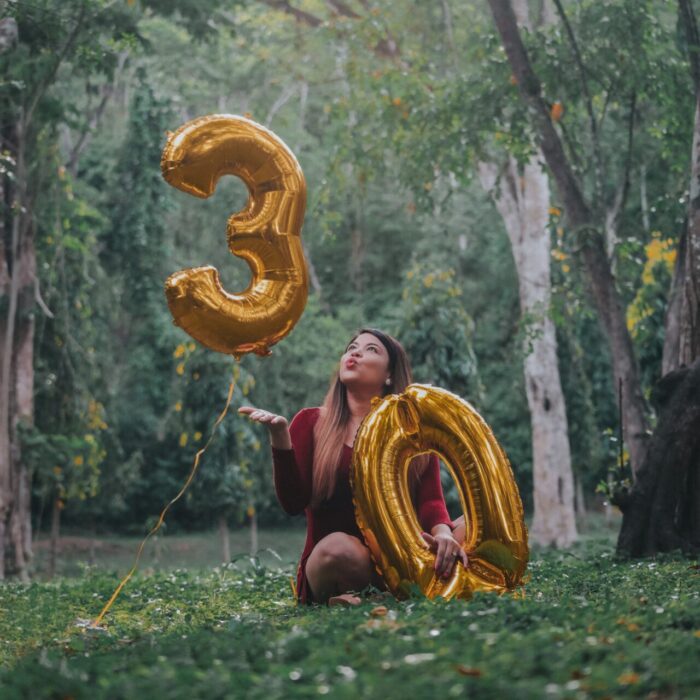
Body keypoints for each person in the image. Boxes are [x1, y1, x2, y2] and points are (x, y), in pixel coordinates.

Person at [238, 327, 469, 607]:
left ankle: (379, 596)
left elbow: (431, 501)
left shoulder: (411, 431)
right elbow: (292, 503)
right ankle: (379, 595)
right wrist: (279, 437)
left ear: (389, 376)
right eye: (351, 347)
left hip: (405, 557)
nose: (355, 352)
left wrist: (443, 535)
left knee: (470, 526)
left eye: (372, 349)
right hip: (341, 561)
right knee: (337, 548)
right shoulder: (311, 423)